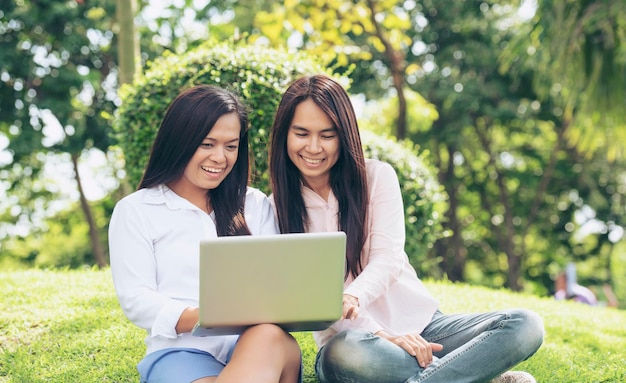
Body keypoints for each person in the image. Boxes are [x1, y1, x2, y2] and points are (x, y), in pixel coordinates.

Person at [268, 74, 544, 383]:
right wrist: (382, 335)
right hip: (356, 342)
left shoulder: (376, 177)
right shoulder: (274, 209)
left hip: (426, 327)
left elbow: (388, 258)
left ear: (344, 135)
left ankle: (441, 374)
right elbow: (312, 301)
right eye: (302, 133)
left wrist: (353, 296)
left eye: (327, 135)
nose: (314, 147)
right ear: (285, 135)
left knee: (525, 324)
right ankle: (468, 373)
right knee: (344, 356)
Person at [109, 85, 302, 383]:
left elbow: (275, 286)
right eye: (207, 144)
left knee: (265, 336)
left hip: (261, 344)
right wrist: (208, 315)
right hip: (181, 353)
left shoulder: (254, 204)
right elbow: (137, 299)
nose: (220, 157)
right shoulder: (136, 210)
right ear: (180, 141)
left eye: (231, 145)